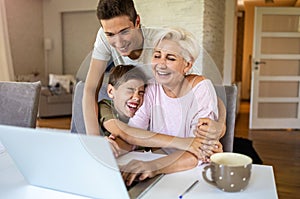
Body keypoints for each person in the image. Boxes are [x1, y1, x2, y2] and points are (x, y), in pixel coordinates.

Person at [82, 0, 226, 141]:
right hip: (133, 120)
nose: (119, 43)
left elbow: (200, 89)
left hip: (153, 126)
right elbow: (90, 89)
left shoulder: (162, 43)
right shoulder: (104, 35)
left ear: (137, 22)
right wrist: (94, 143)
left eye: (124, 32)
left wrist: (220, 126)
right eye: (110, 35)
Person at [106, 27, 222, 186]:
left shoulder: (200, 88)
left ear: (187, 65)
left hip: (191, 173)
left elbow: (200, 151)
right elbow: (134, 135)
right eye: (157, 55)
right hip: (158, 169)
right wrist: (113, 148)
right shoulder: (151, 88)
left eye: (171, 58)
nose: (160, 64)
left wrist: (154, 167)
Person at [99, 64, 211, 159]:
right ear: (110, 91)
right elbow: (125, 133)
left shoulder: (143, 108)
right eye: (130, 90)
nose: (137, 97)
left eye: (141, 93)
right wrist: (185, 143)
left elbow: (132, 142)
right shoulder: (106, 107)